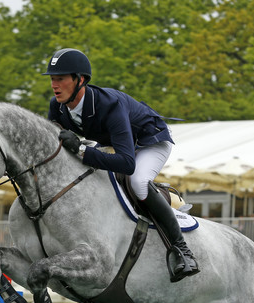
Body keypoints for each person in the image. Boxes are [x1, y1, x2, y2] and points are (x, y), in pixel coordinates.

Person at [43, 48, 199, 282]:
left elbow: (126, 163)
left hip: (149, 142)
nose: (55, 85)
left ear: (80, 80)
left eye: (61, 79)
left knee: (137, 182)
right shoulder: (58, 106)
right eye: (53, 79)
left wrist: (82, 149)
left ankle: (182, 251)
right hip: (116, 145)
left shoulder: (109, 104)